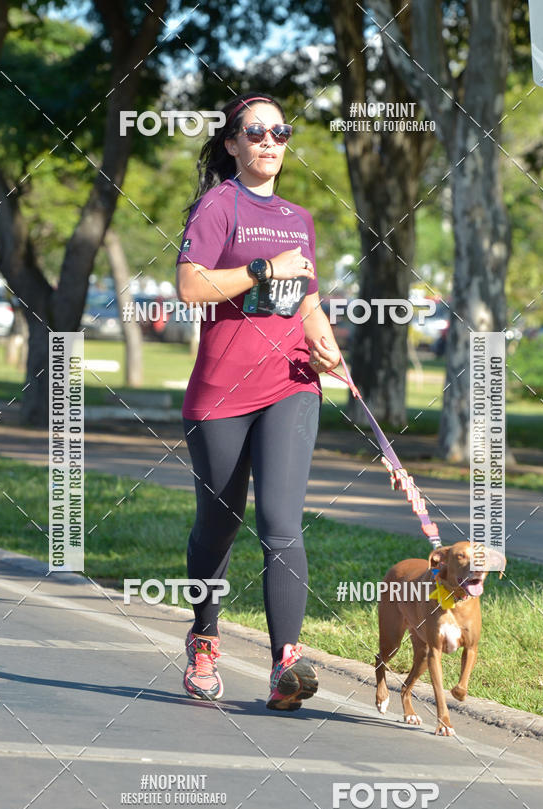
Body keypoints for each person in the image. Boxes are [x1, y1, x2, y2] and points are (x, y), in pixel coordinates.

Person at [175, 92, 341, 710]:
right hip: (222, 392)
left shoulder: (300, 217)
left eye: (281, 132)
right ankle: (204, 637)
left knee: (280, 521)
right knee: (218, 525)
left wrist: (325, 344)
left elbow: (307, 301)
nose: (270, 141)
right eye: (256, 132)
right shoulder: (220, 205)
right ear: (232, 143)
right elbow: (191, 285)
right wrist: (263, 269)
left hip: (291, 383)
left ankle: (285, 665)